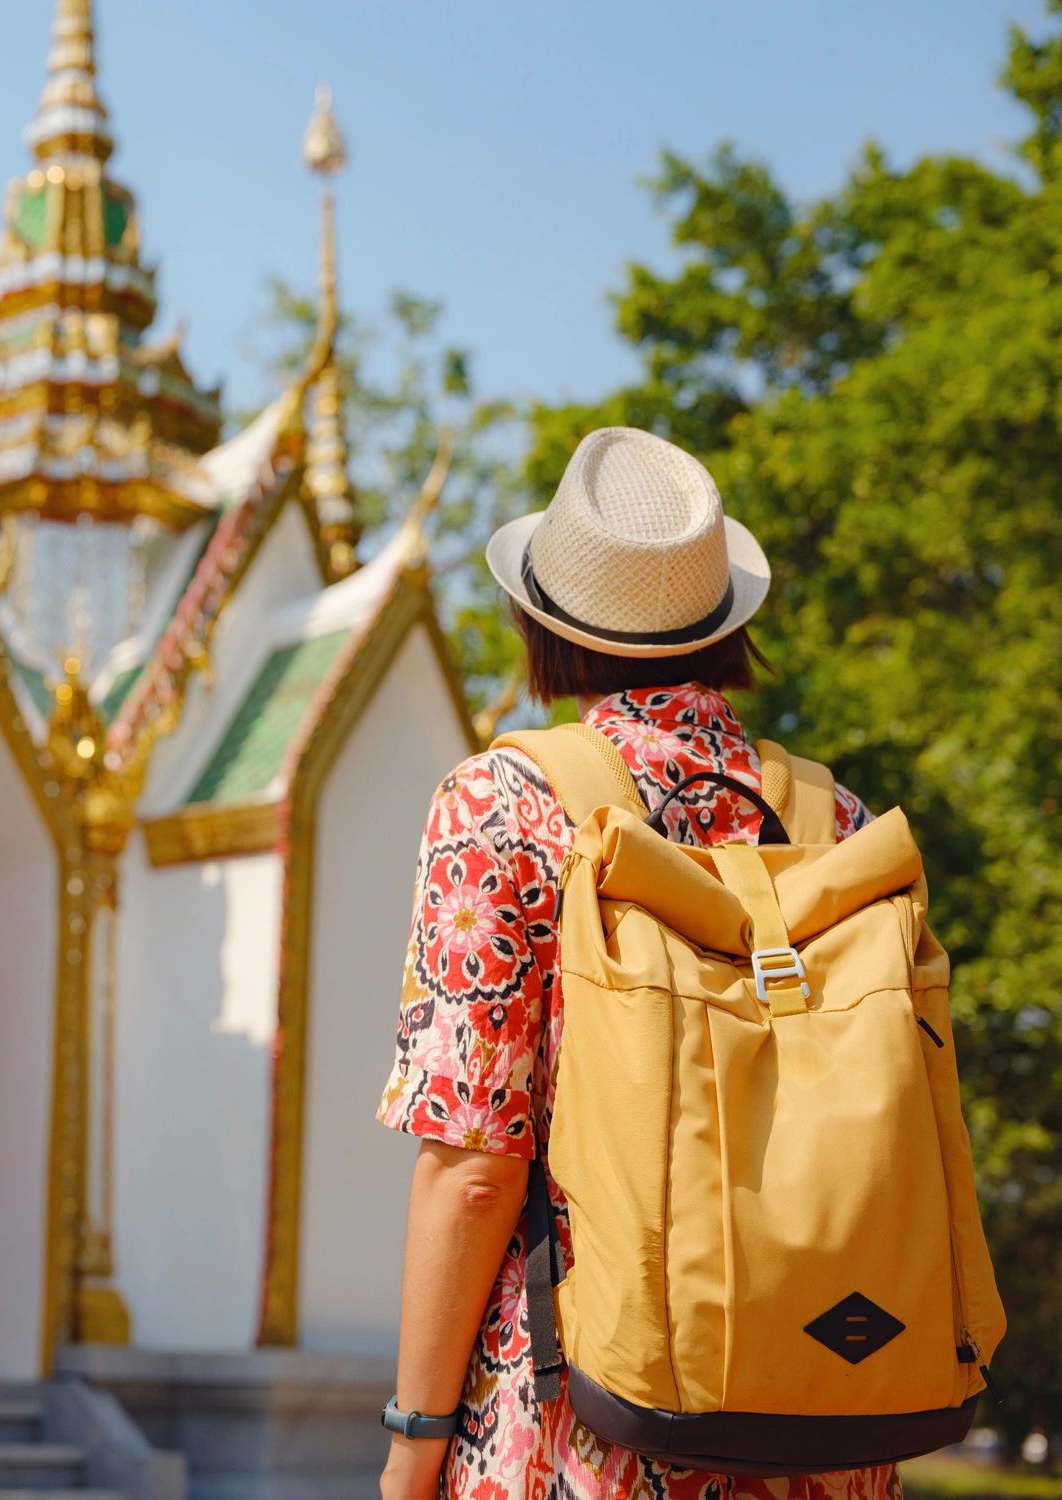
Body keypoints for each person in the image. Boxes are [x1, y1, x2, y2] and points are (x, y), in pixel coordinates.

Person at [374, 427, 888, 1500]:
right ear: (723, 627)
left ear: (540, 626)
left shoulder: (503, 806)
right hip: (824, 1415)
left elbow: (473, 1171)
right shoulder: (833, 821)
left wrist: (411, 1445)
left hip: (586, 1412)